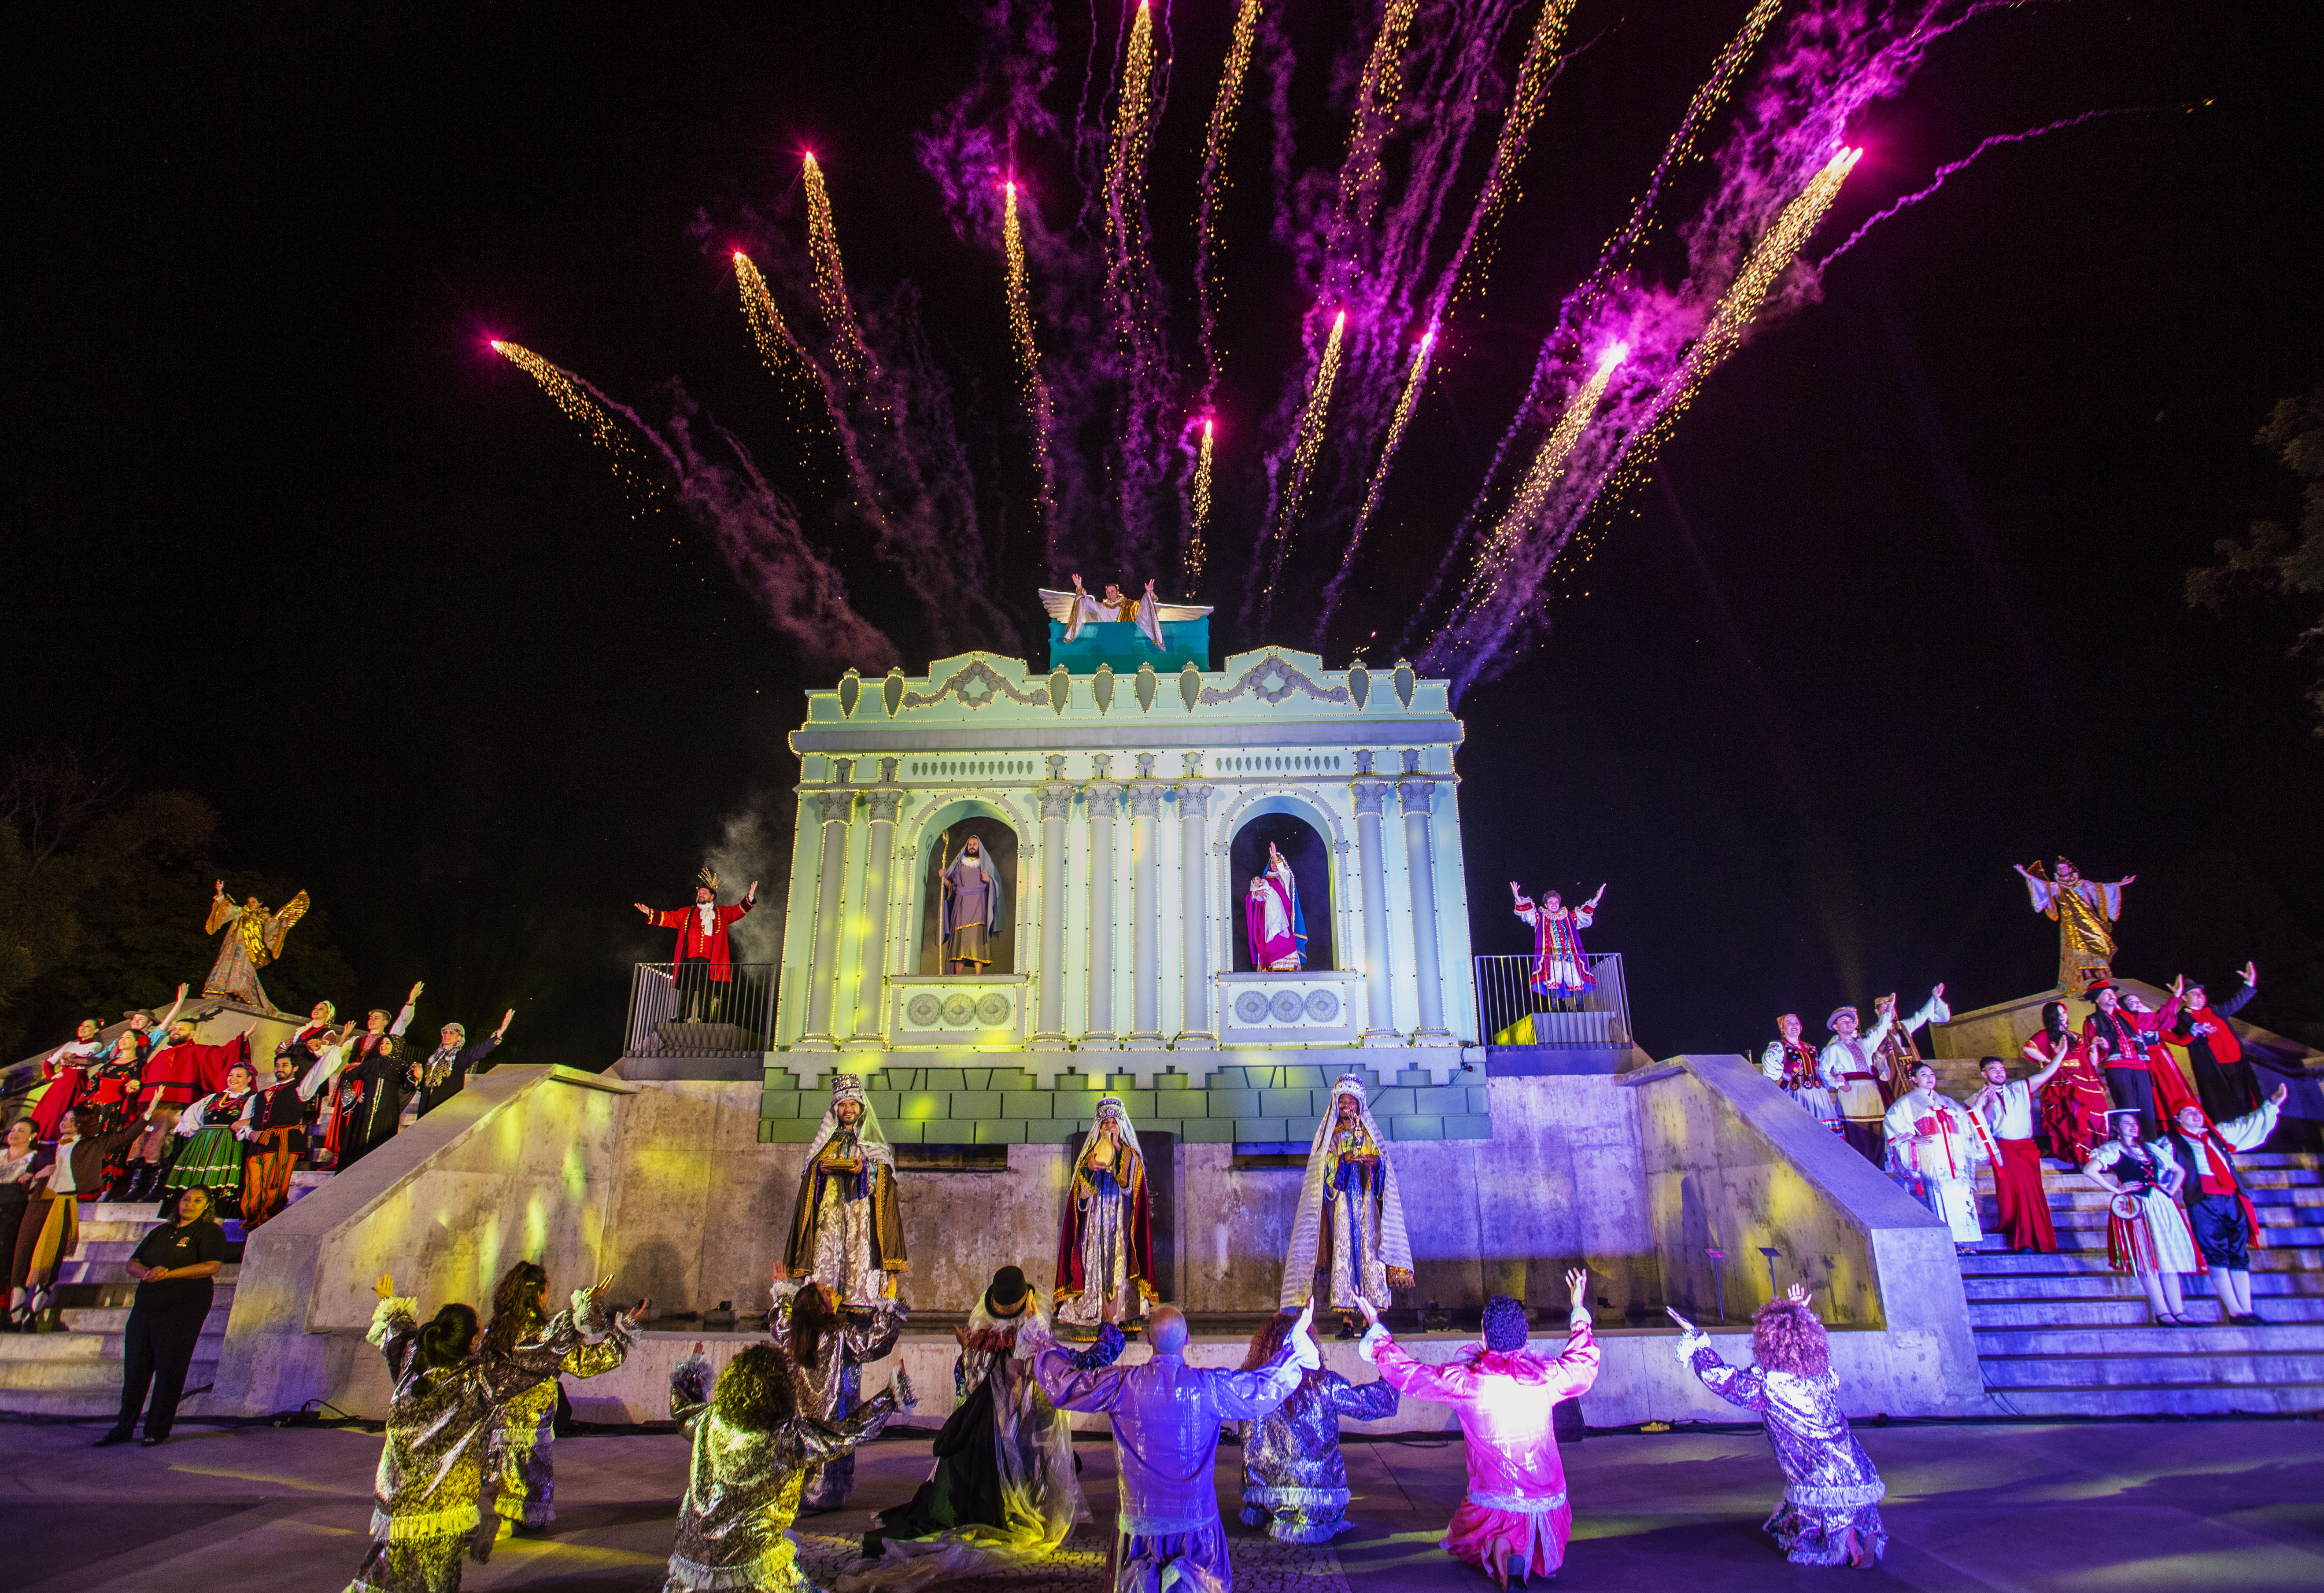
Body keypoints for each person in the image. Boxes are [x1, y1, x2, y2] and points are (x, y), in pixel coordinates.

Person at [354, 1270, 634, 1593]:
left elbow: (399, 1331)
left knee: (390, 1568)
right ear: (473, 1342)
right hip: (440, 1505)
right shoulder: (477, 1383)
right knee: (433, 1576)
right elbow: (545, 1355)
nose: (484, 1333)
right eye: (479, 1330)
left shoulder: (411, 1361)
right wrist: (582, 1319)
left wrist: (389, 1303)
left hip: (397, 1499)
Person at [853, 1266, 1120, 1587]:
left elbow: (963, 1393)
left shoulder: (978, 1346)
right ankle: (1020, 1511)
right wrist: (1111, 1322)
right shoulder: (1040, 1352)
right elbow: (1093, 1359)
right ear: (1030, 1307)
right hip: (1017, 1461)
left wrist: (967, 1353)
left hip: (973, 1466)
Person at [1027, 1301, 1319, 1593]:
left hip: (1139, 1523)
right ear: (1187, 1340)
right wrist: (1293, 1348)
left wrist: (1040, 1336)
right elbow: (1262, 1388)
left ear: (1148, 1339)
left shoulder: (1122, 1384)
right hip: (1196, 1524)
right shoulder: (1209, 1387)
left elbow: (1066, 1384)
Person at [1358, 1271, 1600, 1590]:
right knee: (1526, 1536)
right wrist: (1578, 1310)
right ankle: (1515, 1559)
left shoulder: (1466, 1381)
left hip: (1492, 1500)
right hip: (1547, 1500)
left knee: (1470, 1540)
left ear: (1485, 1336)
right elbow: (1583, 1365)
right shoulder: (1546, 1376)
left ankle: (1501, 1559)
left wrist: (1377, 1330)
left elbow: (1413, 1376)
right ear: (1523, 1337)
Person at [664, 1339, 913, 1593]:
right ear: (779, 1391)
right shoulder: (786, 1439)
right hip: (748, 1563)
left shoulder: (709, 1420)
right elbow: (846, 1434)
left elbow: (683, 1410)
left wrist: (691, 1375)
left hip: (692, 1561)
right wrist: (890, 1398)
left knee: (786, 1540)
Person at [1668, 1284, 1887, 1569]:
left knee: (1825, 1506)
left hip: (1815, 1464)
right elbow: (1805, 1345)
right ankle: (1861, 1536)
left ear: (1768, 1343)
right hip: (1848, 1456)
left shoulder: (1769, 1386)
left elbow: (1724, 1380)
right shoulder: (1823, 1375)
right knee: (1847, 1499)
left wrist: (1695, 1341)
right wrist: (1798, 1313)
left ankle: (1854, 1548)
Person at [480, 1261, 639, 1534]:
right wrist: (622, 1333)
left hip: (500, 1420)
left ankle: (507, 1517)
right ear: (539, 1293)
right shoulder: (546, 1338)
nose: (550, 1293)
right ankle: (517, 1522)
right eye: (548, 1287)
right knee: (528, 1480)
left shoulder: (499, 1329)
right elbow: (585, 1363)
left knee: (509, 1474)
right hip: (530, 1423)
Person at [1237, 1306, 1400, 1542]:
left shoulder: (1250, 1386)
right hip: (1316, 1504)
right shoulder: (1323, 1386)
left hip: (1266, 1499)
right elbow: (1383, 1401)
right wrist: (1382, 1341)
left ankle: (1262, 1510)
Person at [94, 1184, 229, 1446]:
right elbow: (133, 1263)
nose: (189, 1205)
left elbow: (211, 1265)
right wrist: (146, 1274)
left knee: (170, 1367)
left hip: (183, 1306)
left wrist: (168, 1274)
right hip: (147, 1305)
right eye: (186, 1199)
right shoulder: (162, 1231)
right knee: (136, 1367)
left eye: (197, 1201)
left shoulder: (209, 1232)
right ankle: (124, 1426)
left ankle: (156, 1428)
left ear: (207, 1206)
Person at [1280, 1076, 1414, 1339]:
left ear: (1359, 1104)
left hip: (1367, 1206)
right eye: (1343, 1101)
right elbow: (1325, 1172)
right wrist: (1343, 1160)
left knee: (1370, 1258)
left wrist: (1372, 1161)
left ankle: (1369, 1321)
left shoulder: (1368, 1133)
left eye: (1351, 1101)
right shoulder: (1332, 1136)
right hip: (1343, 1207)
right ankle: (1347, 1321)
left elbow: (1384, 1169)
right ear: (1337, 1104)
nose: (1347, 1106)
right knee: (1344, 1260)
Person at [769, 1270, 908, 1511]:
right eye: (826, 1293)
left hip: (801, 1438)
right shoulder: (840, 1336)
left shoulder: (794, 1335)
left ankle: (798, 1492)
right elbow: (875, 1343)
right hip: (833, 1431)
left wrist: (783, 1292)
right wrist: (887, 1309)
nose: (833, 1292)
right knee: (847, 1435)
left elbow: (781, 1322)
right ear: (822, 1309)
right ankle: (818, 1494)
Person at [2164, 1084, 2290, 1326]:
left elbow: (2246, 1126)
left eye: (2198, 1111)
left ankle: (2247, 1308)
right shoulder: (2171, 1142)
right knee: (2215, 1251)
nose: (2196, 1115)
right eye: (2189, 1112)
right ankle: (2234, 1311)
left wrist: (2272, 1105)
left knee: (2239, 1251)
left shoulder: (2217, 1134)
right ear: (2178, 1118)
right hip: (2203, 1199)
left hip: (2232, 1197)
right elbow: (2158, 1165)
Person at [782, 1073, 907, 1307]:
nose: (847, 1110)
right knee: (826, 1256)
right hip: (829, 1218)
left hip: (861, 1219)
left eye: (852, 1104)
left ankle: (860, 1301)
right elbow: (809, 1176)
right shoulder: (827, 1142)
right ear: (836, 1110)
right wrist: (819, 1170)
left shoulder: (873, 1144)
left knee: (859, 1258)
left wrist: (866, 1169)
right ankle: (822, 1303)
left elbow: (887, 1179)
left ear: (860, 1107)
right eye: (842, 1105)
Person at [10, 1110, 140, 1326]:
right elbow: (26, 1182)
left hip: (63, 1205)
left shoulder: (92, 1146)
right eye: (64, 1119)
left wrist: (147, 1115)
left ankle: (32, 1316)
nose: (65, 1123)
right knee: (23, 1255)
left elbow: (126, 1137)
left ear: (81, 1124)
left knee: (52, 1260)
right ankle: (14, 1317)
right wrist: (36, 1176)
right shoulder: (46, 1149)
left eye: (71, 1120)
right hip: (39, 1204)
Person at [2084, 1109, 2199, 1326]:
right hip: (2136, 1206)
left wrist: (2170, 1191)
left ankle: (2179, 1311)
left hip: (2160, 1204)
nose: (2134, 1126)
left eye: (2135, 1123)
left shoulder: (2151, 1149)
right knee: (2147, 1257)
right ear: (2117, 1128)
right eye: (2128, 1123)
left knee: (2167, 1256)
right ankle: (2162, 1311)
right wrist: (2117, 1190)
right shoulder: (2113, 1149)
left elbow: (2179, 1171)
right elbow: (2090, 1170)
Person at [1053, 1093, 1155, 1331]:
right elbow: (1080, 1199)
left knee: (1120, 1264)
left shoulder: (1132, 1156)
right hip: (1095, 1224)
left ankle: (1123, 1315)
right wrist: (1089, 1170)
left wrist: (1119, 1152)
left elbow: (1131, 1188)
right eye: (1105, 1123)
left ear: (1121, 1128)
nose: (1110, 1127)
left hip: (1121, 1224)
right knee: (1093, 1265)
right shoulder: (1089, 1158)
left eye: (1114, 1123)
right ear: (1098, 1128)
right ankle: (1091, 1315)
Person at [1819, 988, 1945, 1166]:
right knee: (1858, 1134)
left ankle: (1879, 1169)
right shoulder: (1833, 1049)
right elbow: (1823, 1072)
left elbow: (1881, 1030)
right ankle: (1862, 1171)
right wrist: (1839, 1084)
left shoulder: (1865, 1043)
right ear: (1835, 1027)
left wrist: (1890, 1010)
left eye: (1851, 1021)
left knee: (1878, 1132)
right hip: (1852, 1094)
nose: (1848, 1023)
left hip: (1871, 1091)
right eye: (1843, 1021)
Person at [128, 1017, 248, 1200]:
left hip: (177, 1106)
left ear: (192, 1033)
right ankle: (137, 1189)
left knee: (165, 1144)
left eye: (181, 1029)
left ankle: (160, 1189)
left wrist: (242, 1039)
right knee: (142, 1144)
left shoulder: (197, 1051)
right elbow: (146, 1076)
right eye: (174, 1028)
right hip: (151, 1108)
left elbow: (221, 1055)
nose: (175, 1031)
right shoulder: (162, 1054)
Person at [1883, 1063, 1996, 1253]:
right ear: (1914, 1079)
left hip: (1955, 1155)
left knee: (1962, 1196)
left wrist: (1981, 1103)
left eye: (1932, 1074)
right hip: (1933, 1156)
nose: (1930, 1077)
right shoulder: (1907, 1103)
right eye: (1924, 1074)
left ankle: (1966, 1243)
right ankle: (1949, 1244)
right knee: (1941, 1198)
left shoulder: (1948, 1102)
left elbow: (1968, 1122)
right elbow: (1892, 1122)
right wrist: (1912, 1138)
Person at [243, 1029, 344, 1226]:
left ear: (295, 1068)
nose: (280, 1068)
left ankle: (266, 1225)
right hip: (257, 1145)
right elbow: (245, 1121)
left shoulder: (300, 1089)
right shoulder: (261, 1094)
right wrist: (249, 1133)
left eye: (285, 1065)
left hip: (282, 1144)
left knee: (274, 1187)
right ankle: (251, 1224)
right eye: (278, 1065)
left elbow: (318, 1073)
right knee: (252, 1187)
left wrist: (337, 1048)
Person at [1970, 1055, 2065, 1254]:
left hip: (2027, 1149)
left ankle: (2034, 1240)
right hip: (2004, 1150)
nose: (1999, 1073)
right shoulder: (1978, 1097)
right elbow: (1983, 1125)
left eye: (2002, 1069)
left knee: (2030, 1193)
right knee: (2011, 1194)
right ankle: (2022, 1239)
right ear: (1984, 1074)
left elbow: (2047, 1073)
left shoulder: (2020, 1088)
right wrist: (1988, 1102)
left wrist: (2062, 1053)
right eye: (1994, 1070)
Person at [635, 868, 758, 1021]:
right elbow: (669, 918)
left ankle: (705, 1016)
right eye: (699, 894)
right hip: (689, 958)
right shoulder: (686, 912)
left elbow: (738, 911)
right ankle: (682, 1016)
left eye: (704, 893)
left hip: (710, 960)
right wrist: (650, 913)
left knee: (706, 989)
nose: (700, 896)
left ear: (712, 896)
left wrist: (750, 896)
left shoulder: (722, 913)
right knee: (687, 988)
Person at [2081, 981, 2194, 1139]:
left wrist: (2175, 998)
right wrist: (2104, 1047)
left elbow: (2157, 1021)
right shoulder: (2092, 1021)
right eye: (2106, 994)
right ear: (2097, 1000)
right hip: (2118, 1068)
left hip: (2140, 1067)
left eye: (2112, 993)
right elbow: (2092, 1052)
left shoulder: (2130, 1016)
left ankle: (2151, 1145)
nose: (2112, 996)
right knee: (2128, 1109)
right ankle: (2133, 1145)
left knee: (2147, 1109)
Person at [2016, 857, 2132, 994]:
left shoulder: (2082, 883)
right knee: (2077, 948)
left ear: (2071, 869)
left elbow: (2100, 890)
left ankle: (2102, 972)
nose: (2062, 870)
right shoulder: (2056, 886)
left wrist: (2120, 884)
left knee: (2098, 943)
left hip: (2089, 920)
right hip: (2071, 923)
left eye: (2064, 868)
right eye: (2059, 869)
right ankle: (2088, 975)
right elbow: (2040, 886)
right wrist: (2026, 875)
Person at [2163, 963, 2264, 1123]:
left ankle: (2249, 1131)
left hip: (2236, 1062)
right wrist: (2197, 1029)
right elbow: (2167, 1027)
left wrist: (2249, 984)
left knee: (2244, 1098)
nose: (2201, 996)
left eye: (2202, 993)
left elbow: (2236, 1002)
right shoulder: (2181, 1019)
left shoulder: (2215, 1010)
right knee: (2224, 1104)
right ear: (2185, 998)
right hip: (2214, 1067)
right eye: (2195, 993)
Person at [163, 1061, 260, 1217]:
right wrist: (195, 1132)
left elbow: (258, 1118)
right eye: (231, 1076)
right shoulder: (215, 1097)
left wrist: (246, 1122)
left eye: (239, 1076)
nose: (233, 1079)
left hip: (228, 1145)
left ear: (250, 1079)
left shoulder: (253, 1099)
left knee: (220, 1183)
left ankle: (215, 1220)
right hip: (204, 1144)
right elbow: (191, 1115)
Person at [201, 878, 311, 1012]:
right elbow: (227, 910)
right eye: (249, 902)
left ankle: (240, 995)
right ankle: (223, 994)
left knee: (242, 970)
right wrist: (220, 893)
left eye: (253, 902)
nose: (250, 904)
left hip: (248, 950)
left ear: (260, 903)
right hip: (232, 946)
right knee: (225, 967)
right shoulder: (241, 912)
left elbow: (273, 926)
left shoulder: (263, 916)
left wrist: (285, 922)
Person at [2024, 1000, 2110, 1165]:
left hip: (2086, 1080)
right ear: (2053, 1017)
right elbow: (2028, 1048)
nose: (2065, 1016)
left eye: (2065, 1013)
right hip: (2064, 1082)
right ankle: (2078, 1156)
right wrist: (2050, 1060)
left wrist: (2093, 1048)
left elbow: (2093, 1062)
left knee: (2095, 1117)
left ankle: (2095, 1155)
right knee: (2074, 1117)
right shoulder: (2046, 1035)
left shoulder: (2076, 1036)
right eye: (2061, 1014)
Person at [1510, 881, 1604, 1009]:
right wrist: (1517, 896)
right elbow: (1527, 913)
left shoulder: (1568, 916)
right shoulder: (1541, 918)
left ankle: (1580, 1005)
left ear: (1559, 903)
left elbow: (1585, 913)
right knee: (1553, 979)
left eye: (1556, 902)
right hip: (1551, 957)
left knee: (1575, 977)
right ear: (1546, 905)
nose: (1554, 905)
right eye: (1551, 903)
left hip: (1570, 955)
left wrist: (1597, 898)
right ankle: (1554, 1007)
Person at [416, 1010, 513, 1118]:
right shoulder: (433, 1058)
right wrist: (420, 1078)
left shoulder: (461, 1056)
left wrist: (500, 1032)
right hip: (425, 1109)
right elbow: (428, 1085)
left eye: (451, 1033)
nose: (446, 1035)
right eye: (445, 1032)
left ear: (459, 1038)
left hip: (445, 1110)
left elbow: (480, 1050)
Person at [1762, 1013, 1842, 1135]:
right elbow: (1769, 1061)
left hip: (1819, 1094)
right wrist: (1783, 1075)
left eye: (1796, 1023)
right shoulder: (1779, 1046)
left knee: (1825, 1130)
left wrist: (1833, 1079)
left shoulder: (1811, 1048)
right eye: (1789, 1023)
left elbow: (1819, 1070)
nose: (1794, 1026)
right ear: (1783, 1028)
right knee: (1801, 1130)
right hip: (1797, 1094)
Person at [938, 833, 1007, 974]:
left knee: (977, 939)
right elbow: (953, 887)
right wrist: (944, 878)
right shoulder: (959, 865)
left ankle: (978, 975)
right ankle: (958, 975)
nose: (972, 846)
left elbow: (997, 884)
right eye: (970, 844)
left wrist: (989, 880)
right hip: (962, 906)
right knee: (961, 939)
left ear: (979, 847)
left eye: (974, 844)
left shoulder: (985, 865)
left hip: (979, 906)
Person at [1245, 841, 1308, 972]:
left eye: (1277, 862)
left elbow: (1287, 874)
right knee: (1271, 940)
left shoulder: (1284, 879)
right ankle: (1273, 967)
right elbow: (1254, 894)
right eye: (1272, 862)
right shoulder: (1265, 880)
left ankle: (1289, 966)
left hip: (1284, 916)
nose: (1274, 865)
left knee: (1286, 939)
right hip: (1269, 917)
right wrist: (1257, 893)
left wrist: (1275, 856)